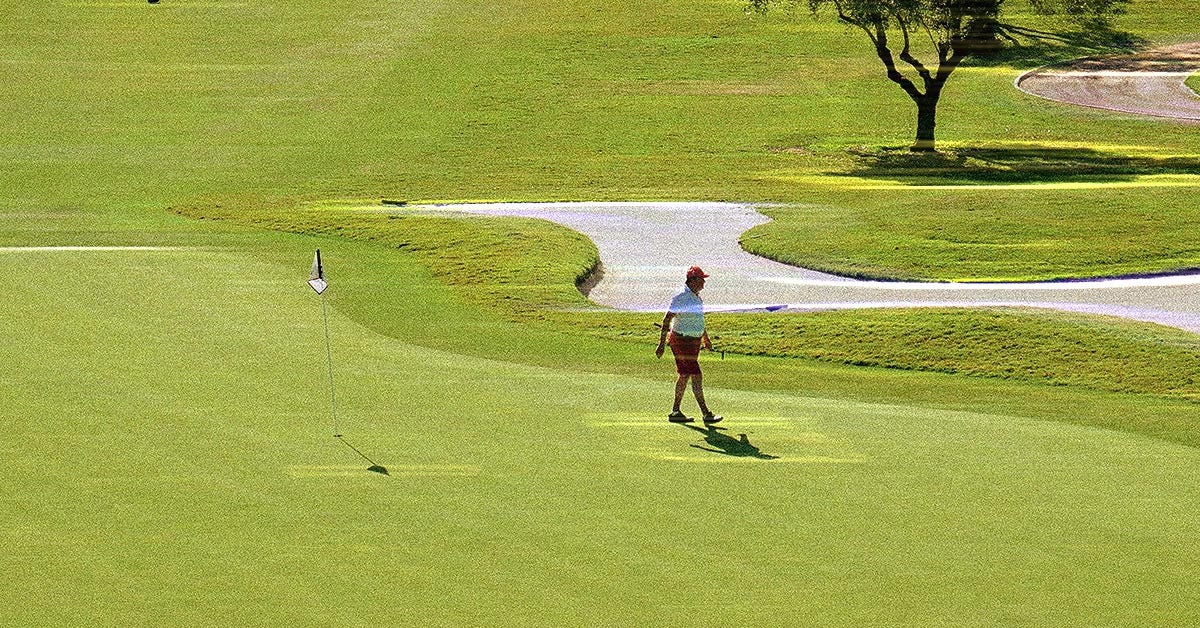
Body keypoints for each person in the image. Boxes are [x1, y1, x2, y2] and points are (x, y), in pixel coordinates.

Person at [655, 266, 722, 424]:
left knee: (684, 375)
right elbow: (667, 319)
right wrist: (661, 344)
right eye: (701, 279)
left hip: (693, 342)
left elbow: (698, 320)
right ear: (692, 280)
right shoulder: (681, 297)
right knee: (696, 375)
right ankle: (706, 413)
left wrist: (705, 338)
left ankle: (675, 412)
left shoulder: (696, 297)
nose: (704, 282)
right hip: (681, 341)